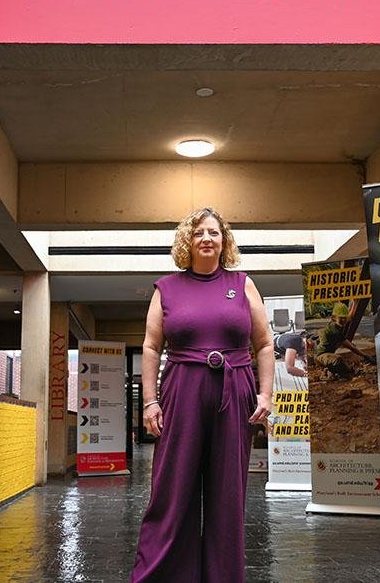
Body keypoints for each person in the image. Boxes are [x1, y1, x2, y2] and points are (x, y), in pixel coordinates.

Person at [132, 207, 274, 582]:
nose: (207, 239)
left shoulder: (243, 283)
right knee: (172, 488)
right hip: (182, 388)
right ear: (187, 242)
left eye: (214, 232)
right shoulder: (166, 287)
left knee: (227, 493)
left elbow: (263, 344)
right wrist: (150, 401)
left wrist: (266, 394)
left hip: (235, 387)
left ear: (224, 240)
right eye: (198, 233)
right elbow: (150, 346)